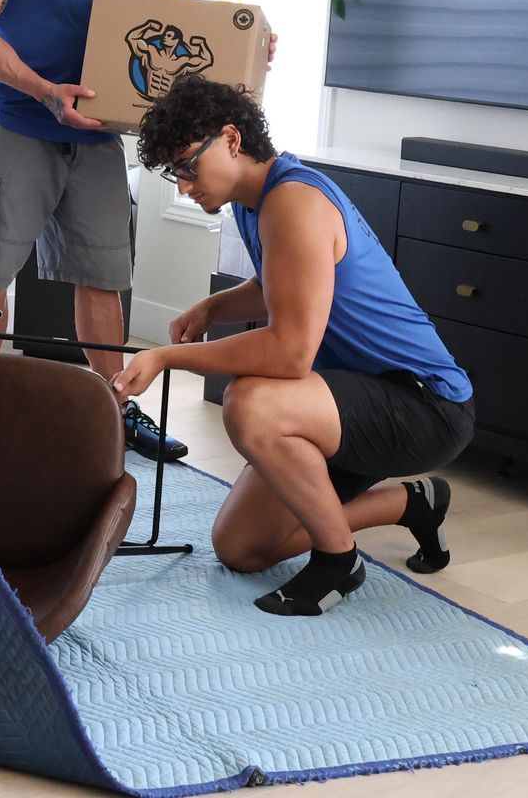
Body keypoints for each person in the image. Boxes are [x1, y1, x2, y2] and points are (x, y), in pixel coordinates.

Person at [112, 77, 476, 617]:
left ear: (231, 139)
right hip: (352, 399)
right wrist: (214, 308)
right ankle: (413, 503)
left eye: (187, 167)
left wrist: (166, 358)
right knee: (241, 548)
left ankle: (338, 561)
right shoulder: (253, 199)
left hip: (423, 405)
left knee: (250, 403)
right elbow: (279, 287)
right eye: (173, 175)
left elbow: (289, 353)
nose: (184, 188)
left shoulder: (295, 202)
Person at [0, 0, 188, 462]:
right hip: (17, 120)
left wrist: (245, 55)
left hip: (98, 130)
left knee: (103, 276)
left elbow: (168, 28)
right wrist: (44, 91)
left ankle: (115, 407)